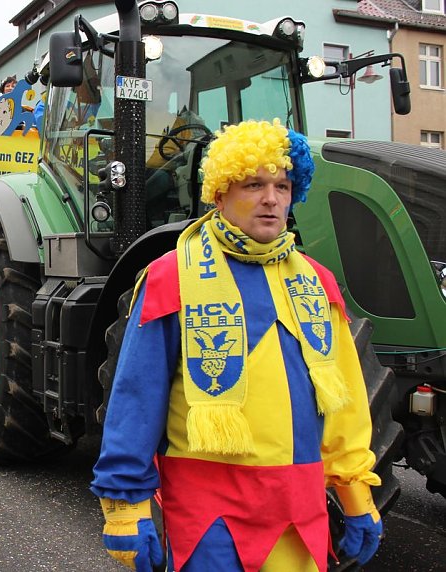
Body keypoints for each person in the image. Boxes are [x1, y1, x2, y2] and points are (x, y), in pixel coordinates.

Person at [91, 120, 383, 571]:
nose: (271, 198)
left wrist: (356, 492)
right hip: (210, 522)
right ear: (221, 193)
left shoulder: (318, 285)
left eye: (283, 185)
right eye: (254, 184)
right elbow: (136, 398)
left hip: (298, 516)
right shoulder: (172, 278)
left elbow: (345, 403)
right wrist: (125, 507)